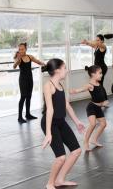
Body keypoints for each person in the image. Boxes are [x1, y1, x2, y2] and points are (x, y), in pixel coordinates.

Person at [41, 59, 85, 189]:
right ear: (57, 70)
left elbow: (66, 105)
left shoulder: (60, 85)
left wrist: (77, 122)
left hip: (61, 121)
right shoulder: (48, 86)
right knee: (60, 157)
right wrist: (48, 133)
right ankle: (50, 183)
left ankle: (60, 179)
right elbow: (50, 110)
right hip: (50, 123)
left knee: (76, 151)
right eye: (65, 68)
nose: (67, 70)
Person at [70, 65, 108, 151]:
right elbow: (81, 89)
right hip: (92, 107)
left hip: (98, 108)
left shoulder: (98, 83)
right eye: (100, 73)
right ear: (93, 74)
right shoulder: (90, 85)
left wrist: (103, 102)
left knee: (103, 124)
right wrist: (74, 91)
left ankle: (93, 139)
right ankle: (85, 142)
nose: (102, 75)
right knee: (93, 124)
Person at [13, 43, 45, 123]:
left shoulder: (29, 56)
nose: (21, 51)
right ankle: (19, 117)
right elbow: (14, 66)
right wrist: (18, 60)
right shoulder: (18, 58)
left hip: (30, 79)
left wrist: (45, 64)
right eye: (19, 49)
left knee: (29, 96)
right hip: (23, 80)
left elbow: (37, 61)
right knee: (23, 97)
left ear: (26, 49)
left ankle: (28, 114)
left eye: (22, 49)